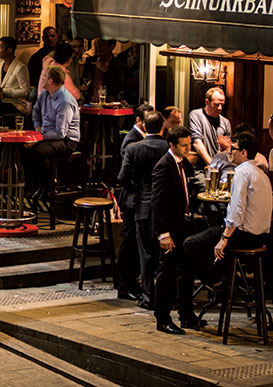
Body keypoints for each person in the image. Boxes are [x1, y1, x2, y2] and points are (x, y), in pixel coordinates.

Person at [185, 132, 272, 287]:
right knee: (208, 234)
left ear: (244, 153)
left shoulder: (241, 172)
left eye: (233, 149)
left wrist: (224, 239)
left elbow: (237, 210)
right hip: (261, 235)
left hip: (244, 235)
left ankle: (216, 283)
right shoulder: (261, 174)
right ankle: (226, 279)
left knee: (191, 244)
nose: (229, 152)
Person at [151, 125, 202, 334]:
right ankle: (162, 318)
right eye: (184, 145)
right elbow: (158, 202)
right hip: (170, 227)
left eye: (189, 144)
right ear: (172, 145)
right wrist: (163, 233)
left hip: (185, 223)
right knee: (167, 273)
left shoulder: (184, 163)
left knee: (187, 271)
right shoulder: (163, 166)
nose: (188, 149)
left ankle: (186, 314)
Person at [117, 110, 167, 310]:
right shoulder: (167, 147)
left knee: (145, 252)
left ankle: (148, 296)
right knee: (162, 254)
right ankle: (161, 294)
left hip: (142, 204)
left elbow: (122, 177)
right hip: (162, 205)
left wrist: (134, 190)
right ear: (162, 127)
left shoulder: (135, 148)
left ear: (145, 126)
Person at [26, 65, 80, 201]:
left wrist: (39, 138)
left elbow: (60, 133)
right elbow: (36, 110)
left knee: (38, 151)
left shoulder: (65, 101)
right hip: (48, 135)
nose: (41, 79)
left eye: (44, 77)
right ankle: (34, 187)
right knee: (24, 148)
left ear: (50, 81)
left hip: (67, 140)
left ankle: (47, 186)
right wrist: (37, 126)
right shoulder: (45, 94)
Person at [188, 87, 231, 166]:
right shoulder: (196, 115)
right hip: (201, 167)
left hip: (220, 166)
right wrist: (211, 164)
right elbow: (197, 142)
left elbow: (228, 149)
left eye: (222, 105)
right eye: (216, 104)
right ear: (207, 102)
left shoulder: (225, 122)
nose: (220, 108)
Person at [0, 35, 29, 115]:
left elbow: (25, 91)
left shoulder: (20, 68)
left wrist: (4, 91)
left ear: (9, 50)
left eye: (0, 48)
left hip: (16, 104)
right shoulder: (0, 65)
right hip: (1, 102)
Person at [82, 38, 126, 102]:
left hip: (109, 104)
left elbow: (118, 87)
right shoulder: (90, 61)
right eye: (97, 44)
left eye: (102, 44)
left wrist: (106, 71)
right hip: (90, 102)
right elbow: (85, 79)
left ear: (111, 46)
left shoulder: (118, 64)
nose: (98, 47)